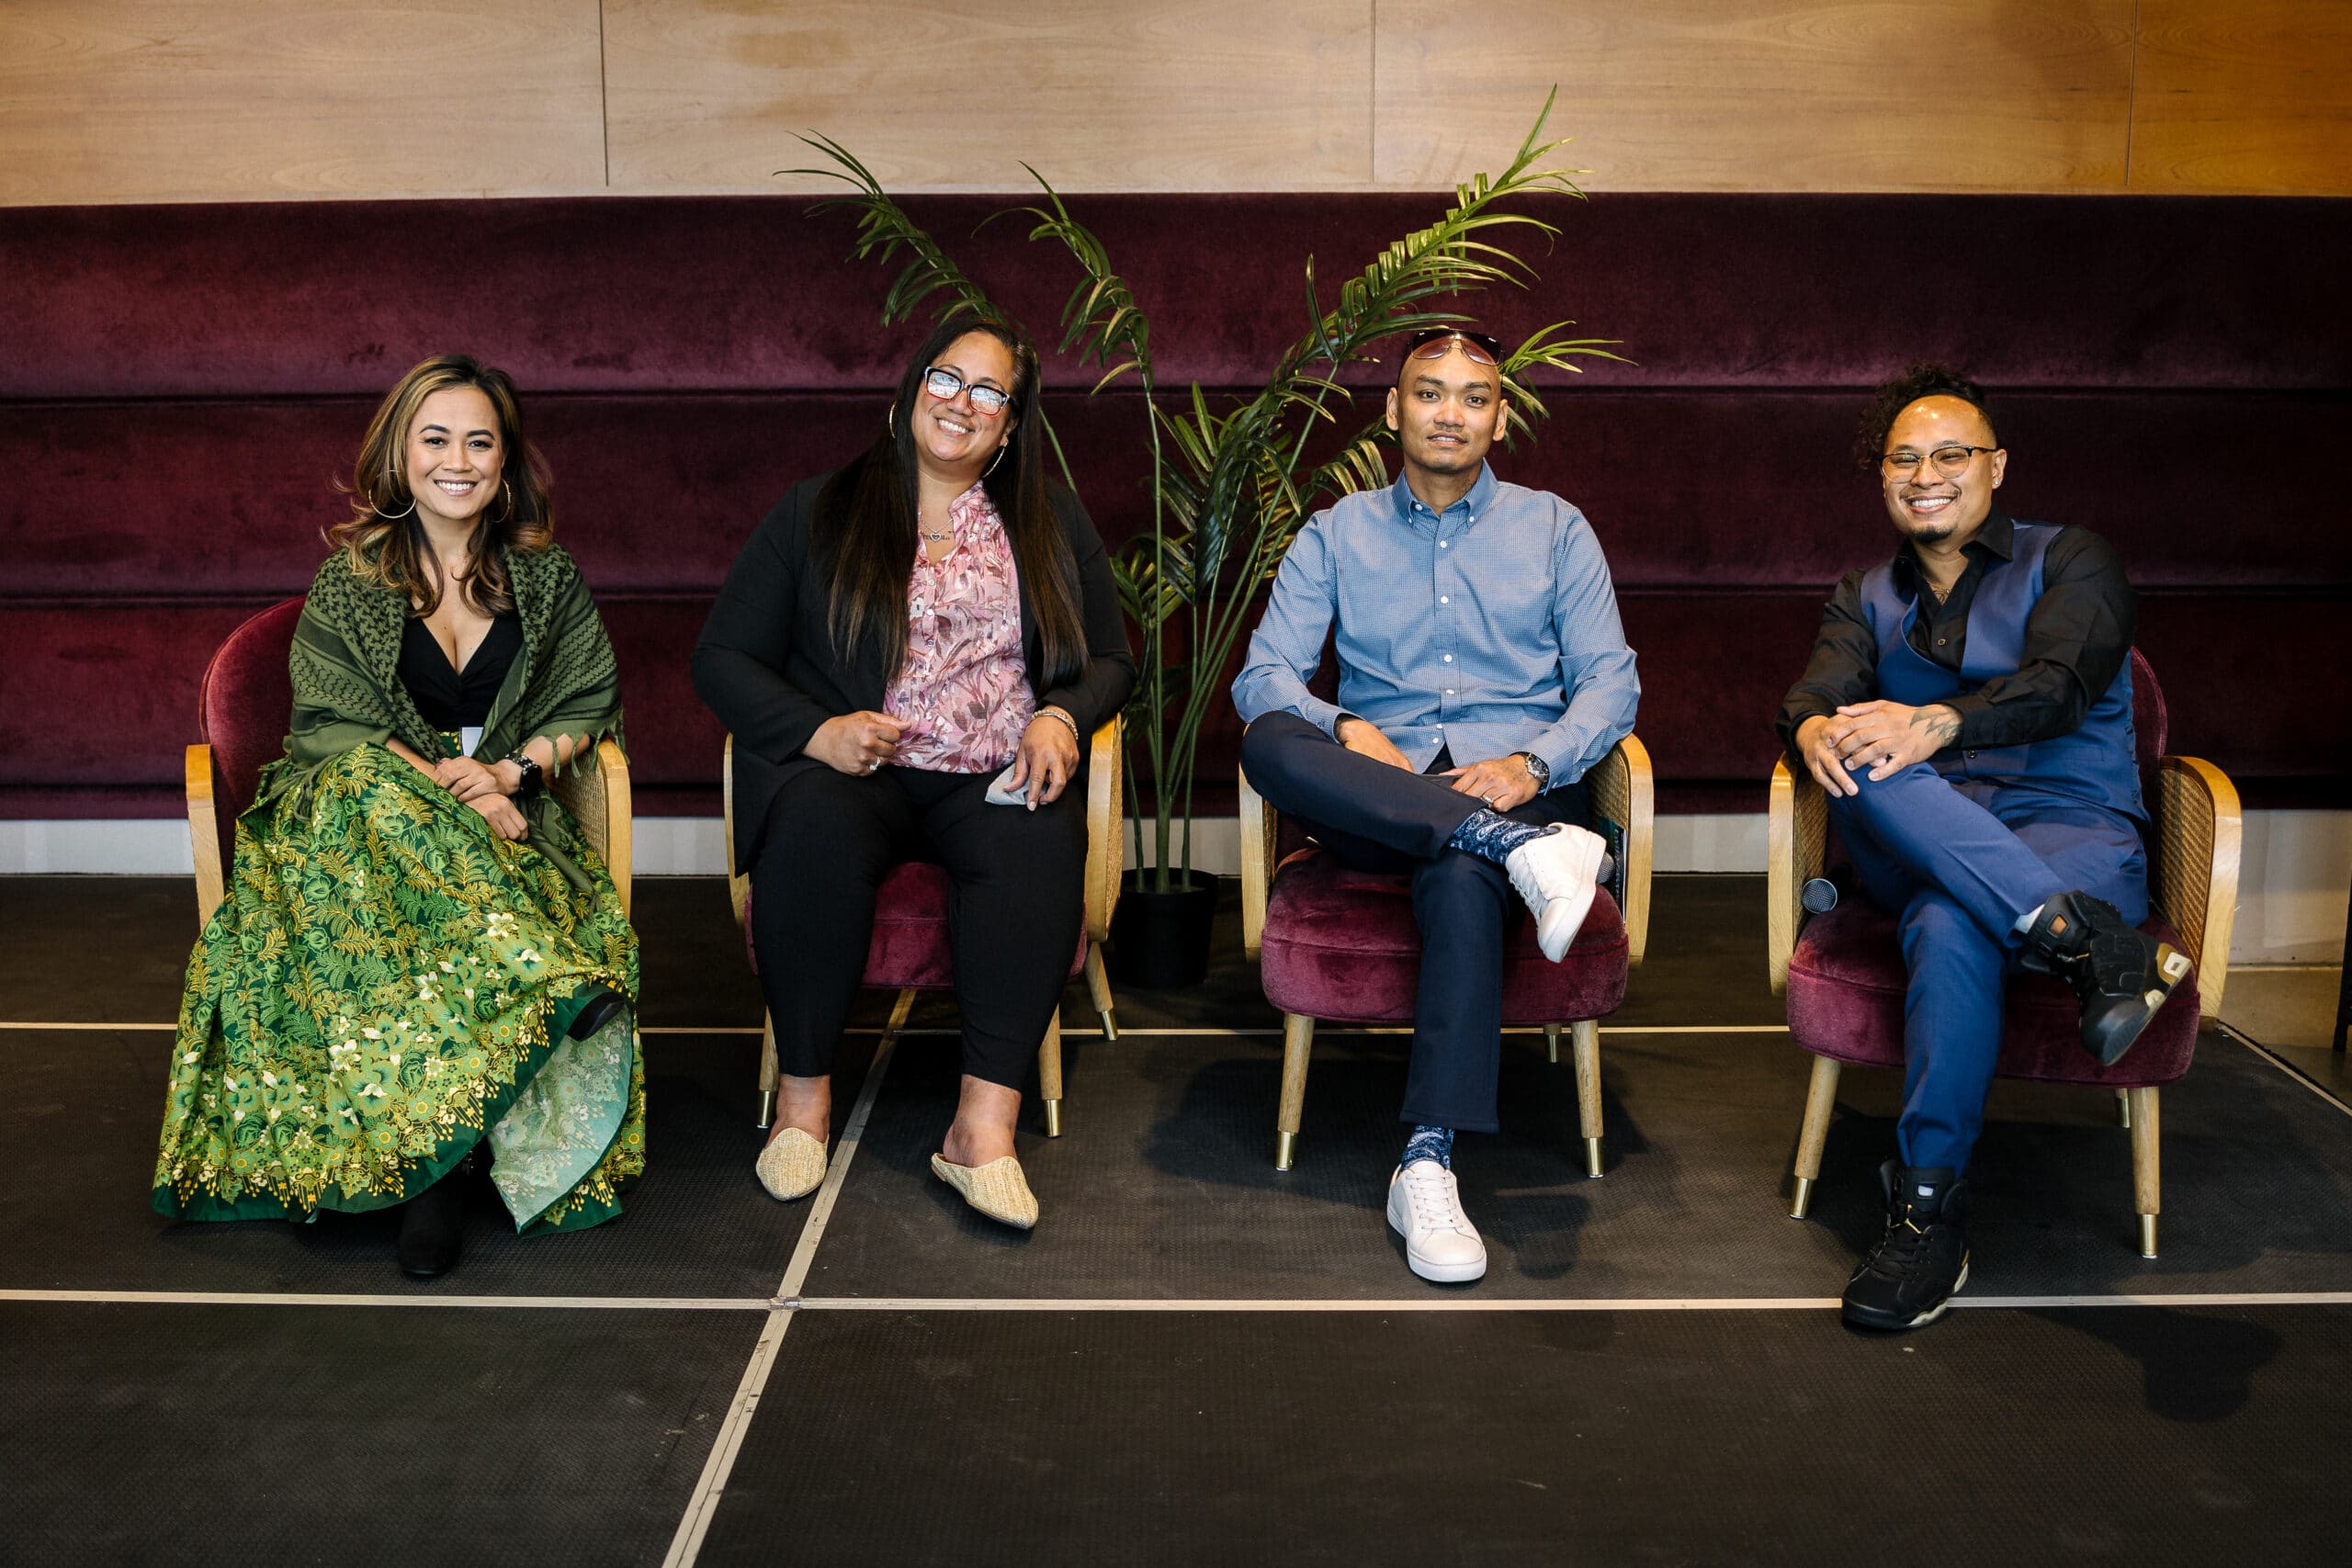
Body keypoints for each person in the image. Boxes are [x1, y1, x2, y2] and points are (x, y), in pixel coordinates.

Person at [153, 353, 642, 1280]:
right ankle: (546, 984)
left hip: (505, 812)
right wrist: (448, 790)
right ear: (399, 453)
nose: (456, 459)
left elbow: (586, 699)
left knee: (416, 888)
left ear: (505, 464)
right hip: (346, 823)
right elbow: (335, 724)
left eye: (479, 441)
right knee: (370, 787)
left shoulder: (546, 578)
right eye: (435, 437)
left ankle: (433, 1180)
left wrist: (507, 772)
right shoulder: (351, 580)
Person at [694, 310, 1134, 1231]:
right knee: (810, 823)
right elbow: (723, 658)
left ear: (1010, 427)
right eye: (945, 378)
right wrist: (815, 732)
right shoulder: (818, 508)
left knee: (1032, 834)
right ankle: (801, 1111)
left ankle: (979, 1136)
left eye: (987, 392)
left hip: (991, 773)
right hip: (861, 773)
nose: (960, 403)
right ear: (909, 390)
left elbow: (1111, 660)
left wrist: (1059, 713)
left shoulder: (1048, 521)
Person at [1777, 363, 2191, 1332]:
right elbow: (1815, 692)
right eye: (1904, 458)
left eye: (1952, 454)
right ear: (1881, 477)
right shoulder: (1861, 591)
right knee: (1854, 739)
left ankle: (1925, 1212)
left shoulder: (2073, 559)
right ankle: (2088, 944)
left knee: (1947, 919)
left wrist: (1939, 725)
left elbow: (2060, 684)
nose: (1927, 473)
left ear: (1996, 466)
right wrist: (1807, 731)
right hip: (1917, 826)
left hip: (2070, 829)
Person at [1232, 326, 1640, 1284]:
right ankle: (1518, 850)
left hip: (1518, 786)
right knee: (1269, 737)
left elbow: (1609, 684)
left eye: (1471, 396)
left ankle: (1425, 1158)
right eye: (1428, 392)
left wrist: (1533, 767)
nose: (1448, 412)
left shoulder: (1553, 528)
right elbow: (1265, 676)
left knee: (1461, 875)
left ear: (1498, 417)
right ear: (1392, 410)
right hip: (1380, 797)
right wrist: (1342, 730)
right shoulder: (1336, 531)